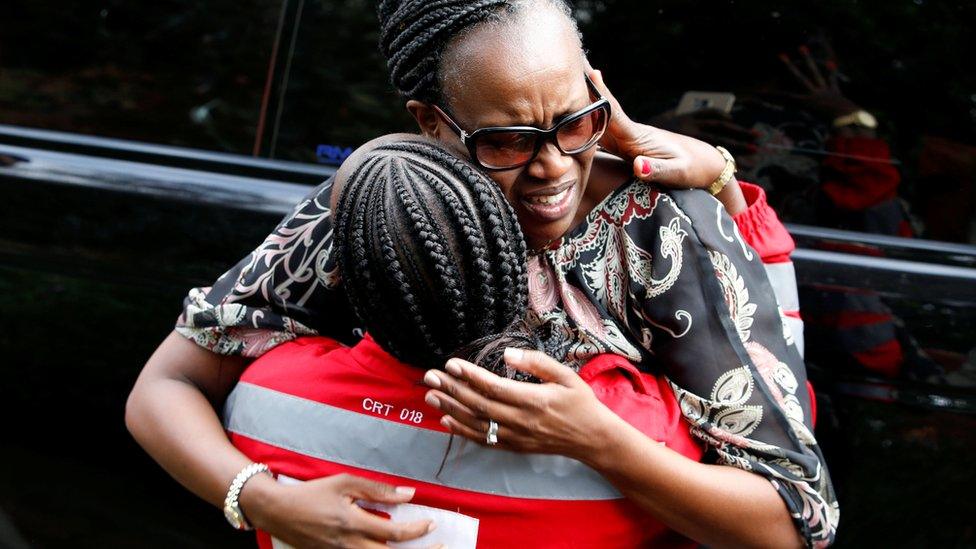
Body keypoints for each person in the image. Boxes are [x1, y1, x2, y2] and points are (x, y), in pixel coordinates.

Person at [126, 1, 837, 546]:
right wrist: (263, 497)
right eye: (506, 139)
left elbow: (794, 520)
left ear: (600, 92)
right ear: (431, 123)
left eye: (575, 120)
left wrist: (601, 440)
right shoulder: (387, 202)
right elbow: (165, 386)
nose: (555, 165)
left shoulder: (664, 228)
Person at [225, 137, 705, 548]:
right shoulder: (636, 426)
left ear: (343, 280)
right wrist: (724, 189)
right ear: (515, 262)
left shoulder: (260, 398)